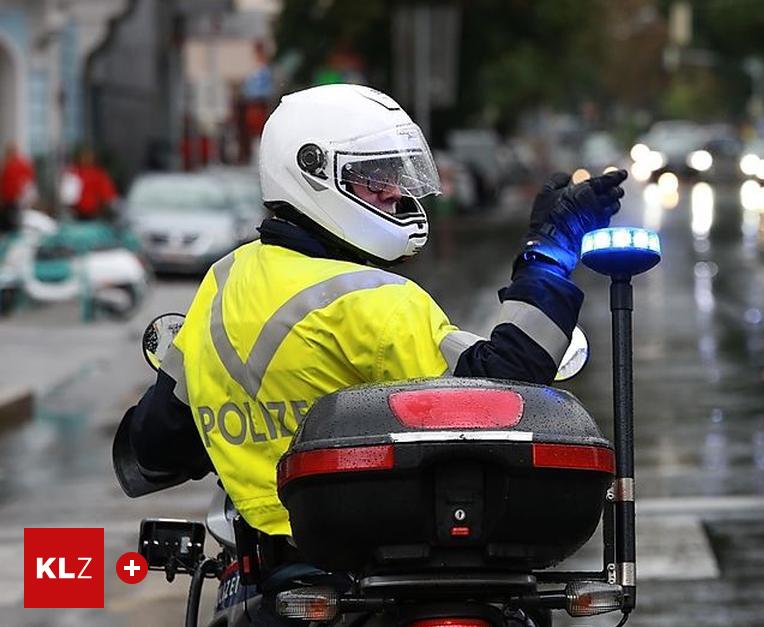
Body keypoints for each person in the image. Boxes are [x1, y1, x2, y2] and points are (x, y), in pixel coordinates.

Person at [112, 84, 626, 541]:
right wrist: (549, 253)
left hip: (272, 568)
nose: (397, 193)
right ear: (312, 172)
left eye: (397, 176)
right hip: (382, 555)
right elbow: (507, 386)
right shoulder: (374, 300)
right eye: (375, 178)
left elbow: (155, 446)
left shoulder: (222, 284)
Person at [61, 147, 117, 221]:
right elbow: (67, 197)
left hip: (95, 215)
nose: (87, 159)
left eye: (89, 156)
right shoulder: (73, 173)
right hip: (76, 215)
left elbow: (108, 196)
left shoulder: (99, 174)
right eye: (84, 156)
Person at [0, 142, 35, 232]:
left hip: (15, 201)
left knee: (13, 225)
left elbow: (28, 184)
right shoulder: (11, 165)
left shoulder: (16, 165)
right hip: (12, 202)